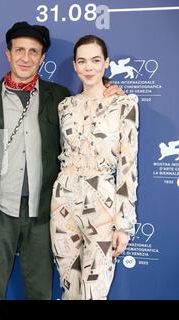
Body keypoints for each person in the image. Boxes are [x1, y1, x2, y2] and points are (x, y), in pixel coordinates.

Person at [0, 22, 123, 300]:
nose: (26, 57)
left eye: (33, 51)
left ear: (42, 57)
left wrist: (108, 91)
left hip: (45, 214)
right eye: (19, 50)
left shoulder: (60, 99)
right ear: (8, 54)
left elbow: (88, 113)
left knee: (40, 292)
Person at [50, 35, 138, 300]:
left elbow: (128, 165)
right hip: (63, 200)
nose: (89, 67)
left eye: (95, 60)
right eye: (82, 61)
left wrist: (124, 224)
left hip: (102, 201)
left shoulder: (125, 104)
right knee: (70, 290)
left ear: (106, 63)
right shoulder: (65, 106)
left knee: (94, 293)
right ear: (75, 66)